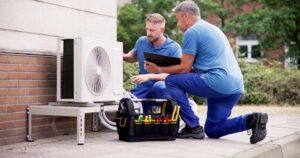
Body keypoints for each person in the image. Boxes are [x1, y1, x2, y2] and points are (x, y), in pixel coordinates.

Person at [144, 1, 268, 144]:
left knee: (171, 80)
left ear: (185, 16)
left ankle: (193, 127)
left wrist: (158, 69)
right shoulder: (212, 28)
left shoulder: (192, 31)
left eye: (177, 19)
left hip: (217, 81)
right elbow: (190, 67)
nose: (177, 25)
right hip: (235, 86)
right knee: (213, 129)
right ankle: (252, 120)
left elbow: (184, 68)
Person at [123, 13, 181, 113]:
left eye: (152, 30)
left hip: (163, 88)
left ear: (162, 30)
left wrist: (149, 76)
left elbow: (173, 76)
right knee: (126, 104)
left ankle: (169, 119)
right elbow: (132, 57)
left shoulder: (174, 48)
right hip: (143, 88)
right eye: (147, 29)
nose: (148, 33)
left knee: (160, 87)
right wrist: (120, 55)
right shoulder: (141, 42)